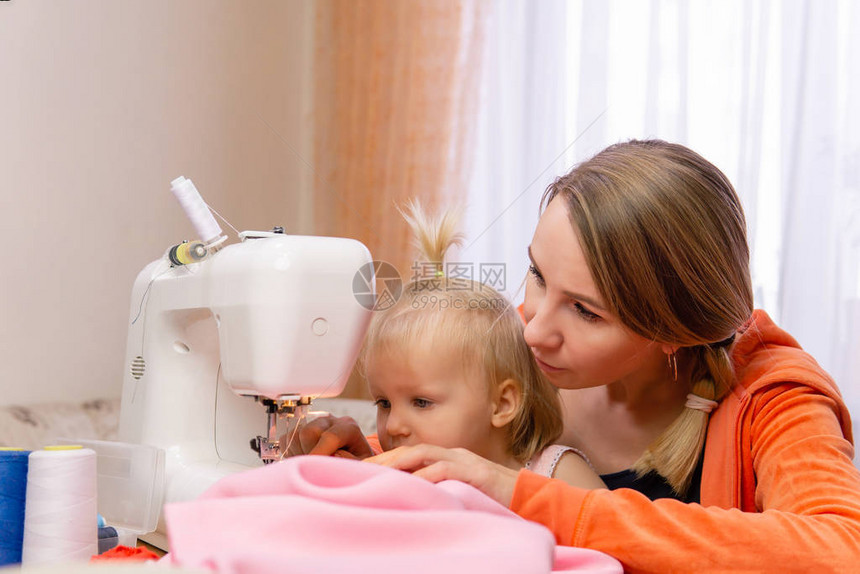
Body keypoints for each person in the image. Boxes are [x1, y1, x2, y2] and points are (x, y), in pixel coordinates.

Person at [298, 140, 860, 571]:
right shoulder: (522, 349)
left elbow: (840, 551)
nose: (535, 329)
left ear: (671, 332)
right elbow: (467, 454)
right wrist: (368, 457)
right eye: (538, 276)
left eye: (585, 312)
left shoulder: (774, 396)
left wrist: (527, 497)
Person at [350, 201, 604, 487]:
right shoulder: (400, 474)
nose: (393, 426)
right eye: (384, 403)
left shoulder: (552, 472)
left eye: (421, 402)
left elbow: (603, 526)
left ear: (502, 404)